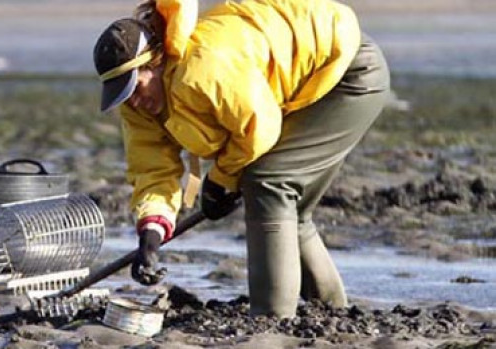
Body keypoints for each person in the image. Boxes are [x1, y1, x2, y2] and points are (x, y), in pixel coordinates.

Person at [93, 0, 390, 318]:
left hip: (347, 69)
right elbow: (152, 168)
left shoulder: (203, 68)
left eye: (135, 88)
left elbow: (258, 131)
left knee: (268, 182)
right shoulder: (137, 106)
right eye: (123, 94)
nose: (134, 101)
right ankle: (332, 312)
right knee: (289, 207)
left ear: (156, 61)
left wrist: (220, 182)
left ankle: (271, 320)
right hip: (297, 85)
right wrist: (150, 233)